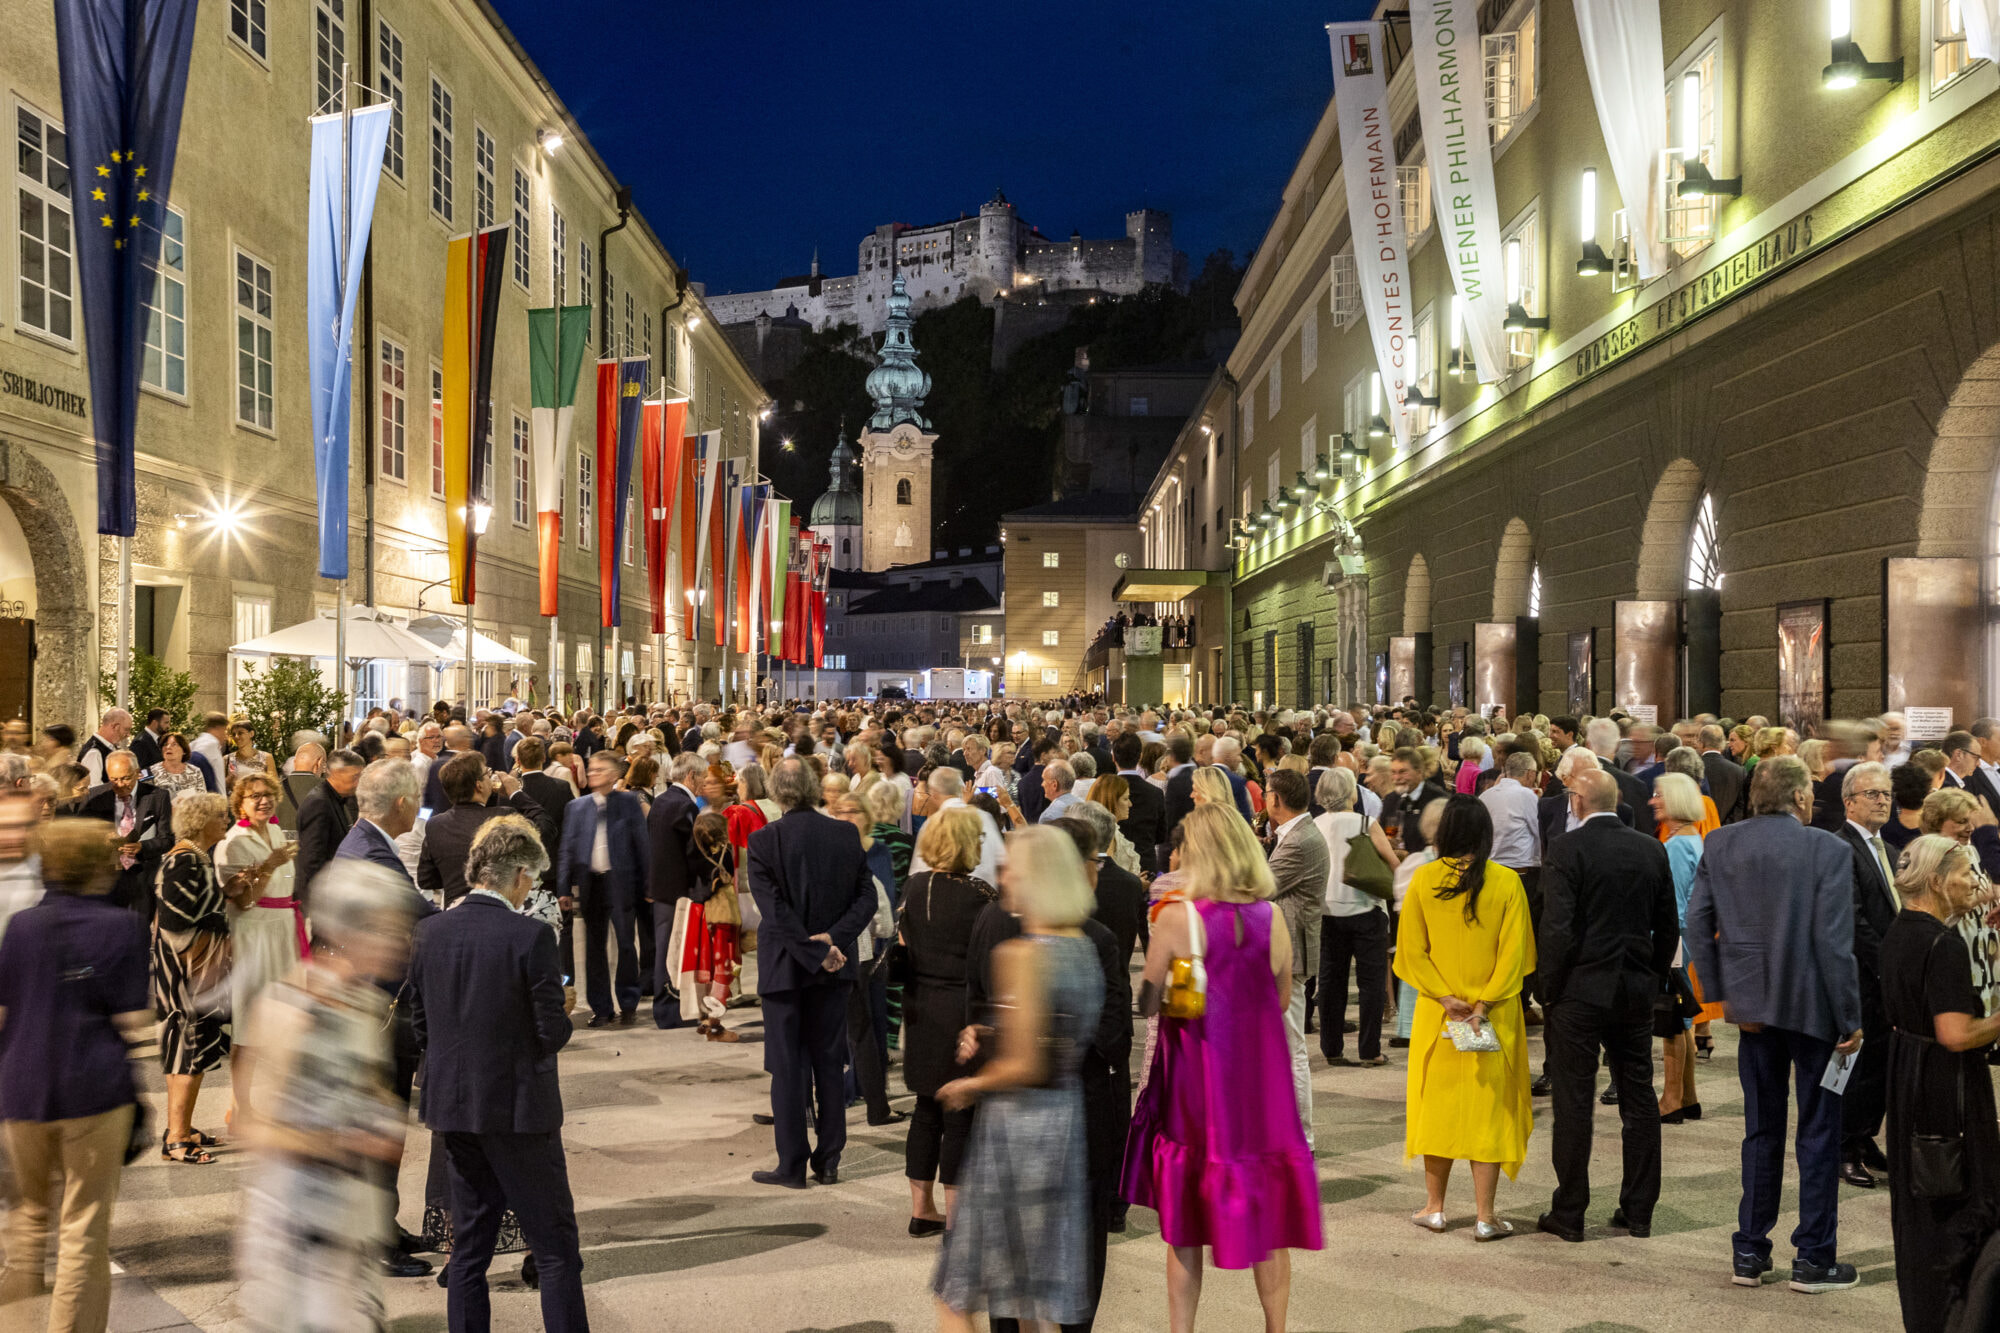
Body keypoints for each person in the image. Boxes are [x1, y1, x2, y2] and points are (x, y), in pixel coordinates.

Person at [1120, 805, 1320, 1332]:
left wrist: (1177, 987)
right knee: (1270, 1216)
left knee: (1184, 1222)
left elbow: (1146, 1003)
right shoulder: (1270, 915)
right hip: (1260, 1080)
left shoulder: (1176, 915)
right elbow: (1279, 999)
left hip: (1199, 1077)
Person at [1684, 755, 1865, 1293]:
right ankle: (1813, 1258)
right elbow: (1835, 944)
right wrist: (1850, 1017)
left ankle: (1749, 1251)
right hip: (1813, 1009)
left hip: (1753, 1011)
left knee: (1761, 1130)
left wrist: (1722, 998)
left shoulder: (1721, 843)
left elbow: (1697, 924)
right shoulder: (1828, 849)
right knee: (1818, 1132)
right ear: (1802, 798)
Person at [408, 815, 587, 1333]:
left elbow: (423, 1027)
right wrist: (565, 1012)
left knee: (469, 1250)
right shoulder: (529, 936)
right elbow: (550, 1033)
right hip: (518, 1110)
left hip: (454, 1107)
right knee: (555, 1250)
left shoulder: (429, 931)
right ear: (518, 877)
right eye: (531, 878)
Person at [932, 826, 1105, 1332]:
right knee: (1031, 1295)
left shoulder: (1023, 954)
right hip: (1062, 1125)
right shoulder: (1086, 948)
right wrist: (993, 1029)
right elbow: (1058, 1035)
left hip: (1017, 1131)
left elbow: (1026, 1063)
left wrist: (970, 1085)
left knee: (956, 1291)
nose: (1002, 873)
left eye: (1013, 866)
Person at [233, 860, 417, 1333]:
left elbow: (371, 1097)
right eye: (387, 929)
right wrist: (342, 1141)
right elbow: (257, 1126)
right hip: (297, 1226)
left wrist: (383, 1119)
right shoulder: (291, 1006)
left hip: (352, 1219)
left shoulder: (369, 1005)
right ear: (351, 931)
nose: (400, 941)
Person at [0, 821, 150, 1333]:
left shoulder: (21, 926)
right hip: (93, 1087)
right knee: (82, 1230)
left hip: (21, 1088)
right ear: (98, 866)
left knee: (27, 1220)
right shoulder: (122, 927)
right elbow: (134, 1022)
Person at [1534, 769, 1677, 1243]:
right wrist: (1651, 975)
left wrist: (1548, 989)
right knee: (1638, 1096)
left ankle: (1570, 1212)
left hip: (1579, 990)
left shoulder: (1568, 849)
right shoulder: (1650, 848)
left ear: (1576, 801)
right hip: (1633, 988)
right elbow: (1667, 926)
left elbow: (1557, 928)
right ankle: (1639, 1211)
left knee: (1574, 1102)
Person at [1395, 795, 1535, 1240]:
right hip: (1491, 1019)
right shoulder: (1507, 882)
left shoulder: (1424, 880)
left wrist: (1442, 996)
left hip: (1438, 1017)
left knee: (1436, 1108)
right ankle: (1485, 1216)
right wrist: (1484, 1004)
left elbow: (1410, 952)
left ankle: (1434, 1208)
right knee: (1489, 1112)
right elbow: (1517, 953)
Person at [1878, 835, 2000, 1333]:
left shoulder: (1900, 931)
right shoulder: (1942, 944)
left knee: (1919, 1208)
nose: (1976, 881)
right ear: (1935, 881)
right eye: (1966, 872)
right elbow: (1956, 1034)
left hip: (1908, 1076)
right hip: (1945, 1090)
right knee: (1958, 1204)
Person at [746, 757, 878, 1189]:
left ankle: (791, 1165)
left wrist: (812, 951)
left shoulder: (765, 841)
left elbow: (775, 912)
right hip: (833, 966)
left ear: (774, 792)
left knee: (787, 1069)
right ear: (814, 788)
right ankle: (830, 1158)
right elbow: (867, 899)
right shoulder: (844, 834)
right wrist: (832, 942)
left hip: (786, 969)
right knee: (828, 1061)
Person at [153, 791, 239, 1163]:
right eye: (220, 815)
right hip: (190, 976)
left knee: (187, 1053)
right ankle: (176, 1137)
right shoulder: (184, 860)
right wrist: (210, 964)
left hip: (193, 972)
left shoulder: (195, 858)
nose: (226, 820)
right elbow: (174, 922)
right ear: (201, 820)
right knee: (189, 1052)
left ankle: (182, 1126)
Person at [216, 774, 305, 1130]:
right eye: (255, 796)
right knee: (251, 1023)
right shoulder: (232, 842)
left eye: (269, 795)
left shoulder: (277, 833)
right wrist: (270, 863)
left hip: (282, 927)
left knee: (281, 1020)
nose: (264, 801)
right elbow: (243, 898)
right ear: (240, 802)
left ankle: (275, 1101)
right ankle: (240, 1106)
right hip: (254, 932)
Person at [1832, 760, 1898, 1190]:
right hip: (1860, 977)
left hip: (1886, 979)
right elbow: (1853, 921)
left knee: (1880, 1066)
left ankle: (1865, 1136)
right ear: (1849, 801)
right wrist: (1889, 962)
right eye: (1872, 794)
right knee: (1855, 1070)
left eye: (1887, 795)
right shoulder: (1840, 848)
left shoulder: (1888, 850)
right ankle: (1844, 1149)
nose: (1882, 801)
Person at [1312, 766, 1400, 1067]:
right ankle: (1369, 1049)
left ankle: (1332, 1047)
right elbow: (1391, 861)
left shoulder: (1315, 824)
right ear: (1351, 793)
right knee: (1371, 983)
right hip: (1366, 909)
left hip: (1326, 911)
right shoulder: (1365, 823)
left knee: (1331, 982)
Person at [1263, 768, 1326, 1146]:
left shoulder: (1300, 839)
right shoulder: (1293, 834)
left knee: (1291, 1048)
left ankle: (1302, 1137)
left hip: (1290, 953)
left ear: (1275, 799)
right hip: (1284, 947)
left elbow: (1262, 886)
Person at [418, 752, 545, 911]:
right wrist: (516, 793)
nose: (491, 777)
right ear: (479, 785)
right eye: (487, 773)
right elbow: (545, 827)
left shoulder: (435, 824)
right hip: (496, 912)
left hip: (454, 911)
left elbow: (426, 880)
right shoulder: (503, 817)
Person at [1652, 772, 1708, 1121]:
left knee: (1670, 1015)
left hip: (1675, 939)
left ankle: (1671, 1099)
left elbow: (1672, 908)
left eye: (1658, 794)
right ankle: (1687, 1096)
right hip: (1688, 937)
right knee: (1683, 1017)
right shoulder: (1692, 840)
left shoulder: (1675, 847)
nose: (1653, 800)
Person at [75, 750, 174, 916]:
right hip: (107, 875)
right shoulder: (95, 797)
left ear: (137, 773)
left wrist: (142, 846)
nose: (120, 784)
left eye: (125, 778)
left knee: (141, 926)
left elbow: (167, 839)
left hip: (143, 875)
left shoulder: (157, 797)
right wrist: (102, 839)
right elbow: (83, 834)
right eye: (114, 779)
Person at [292, 748, 362, 909]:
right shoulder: (319, 803)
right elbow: (312, 860)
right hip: (320, 900)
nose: (358, 783)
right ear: (336, 773)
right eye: (354, 777)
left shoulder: (336, 799)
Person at [143, 732, 207, 800]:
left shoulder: (195, 771)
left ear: (184, 751)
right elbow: (145, 800)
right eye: (165, 744)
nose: (168, 747)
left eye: (174, 744)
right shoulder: (148, 772)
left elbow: (202, 800)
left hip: (189, 810)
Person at [75, 708, 130, 787]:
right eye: (126, 730)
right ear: (115, 726)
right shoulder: (94, 753)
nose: (128, 734)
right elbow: (94, 790)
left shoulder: (110, 747)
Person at [226, 721, 279, 788]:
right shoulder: (227, 759)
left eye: (240, 733)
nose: (236, 737)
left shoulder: (266, 757)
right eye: (233, 734)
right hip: (236, 797)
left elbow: (275, 785)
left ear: (251, 734)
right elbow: (221, 786)